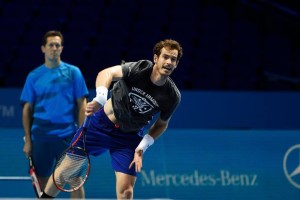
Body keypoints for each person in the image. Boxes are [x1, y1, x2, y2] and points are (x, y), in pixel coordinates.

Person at [41, 39, 183, 199]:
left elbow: (162, 124)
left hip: (128, 138)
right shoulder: (140, 68)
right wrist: (100, 98)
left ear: (176, 64)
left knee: (126, 192)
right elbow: (106, 73)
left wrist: (142, 146)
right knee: (63, 174)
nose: (169, 62)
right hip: (99, 126)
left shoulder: (172, 96)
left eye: (173, 59)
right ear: (156, 58)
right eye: (165, 57)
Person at [20, 30, 88, 199]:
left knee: (75, 180)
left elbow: (82, 105)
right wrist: (28, 140)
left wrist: (81, 135)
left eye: (57, 45)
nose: (54, 48)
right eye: (50, 45)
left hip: (67, 137)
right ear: (43, 48)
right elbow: (27, 109)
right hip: (41, 138)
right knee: (43, 182)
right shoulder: (34, 76)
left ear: (61, 49)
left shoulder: (74, 73)